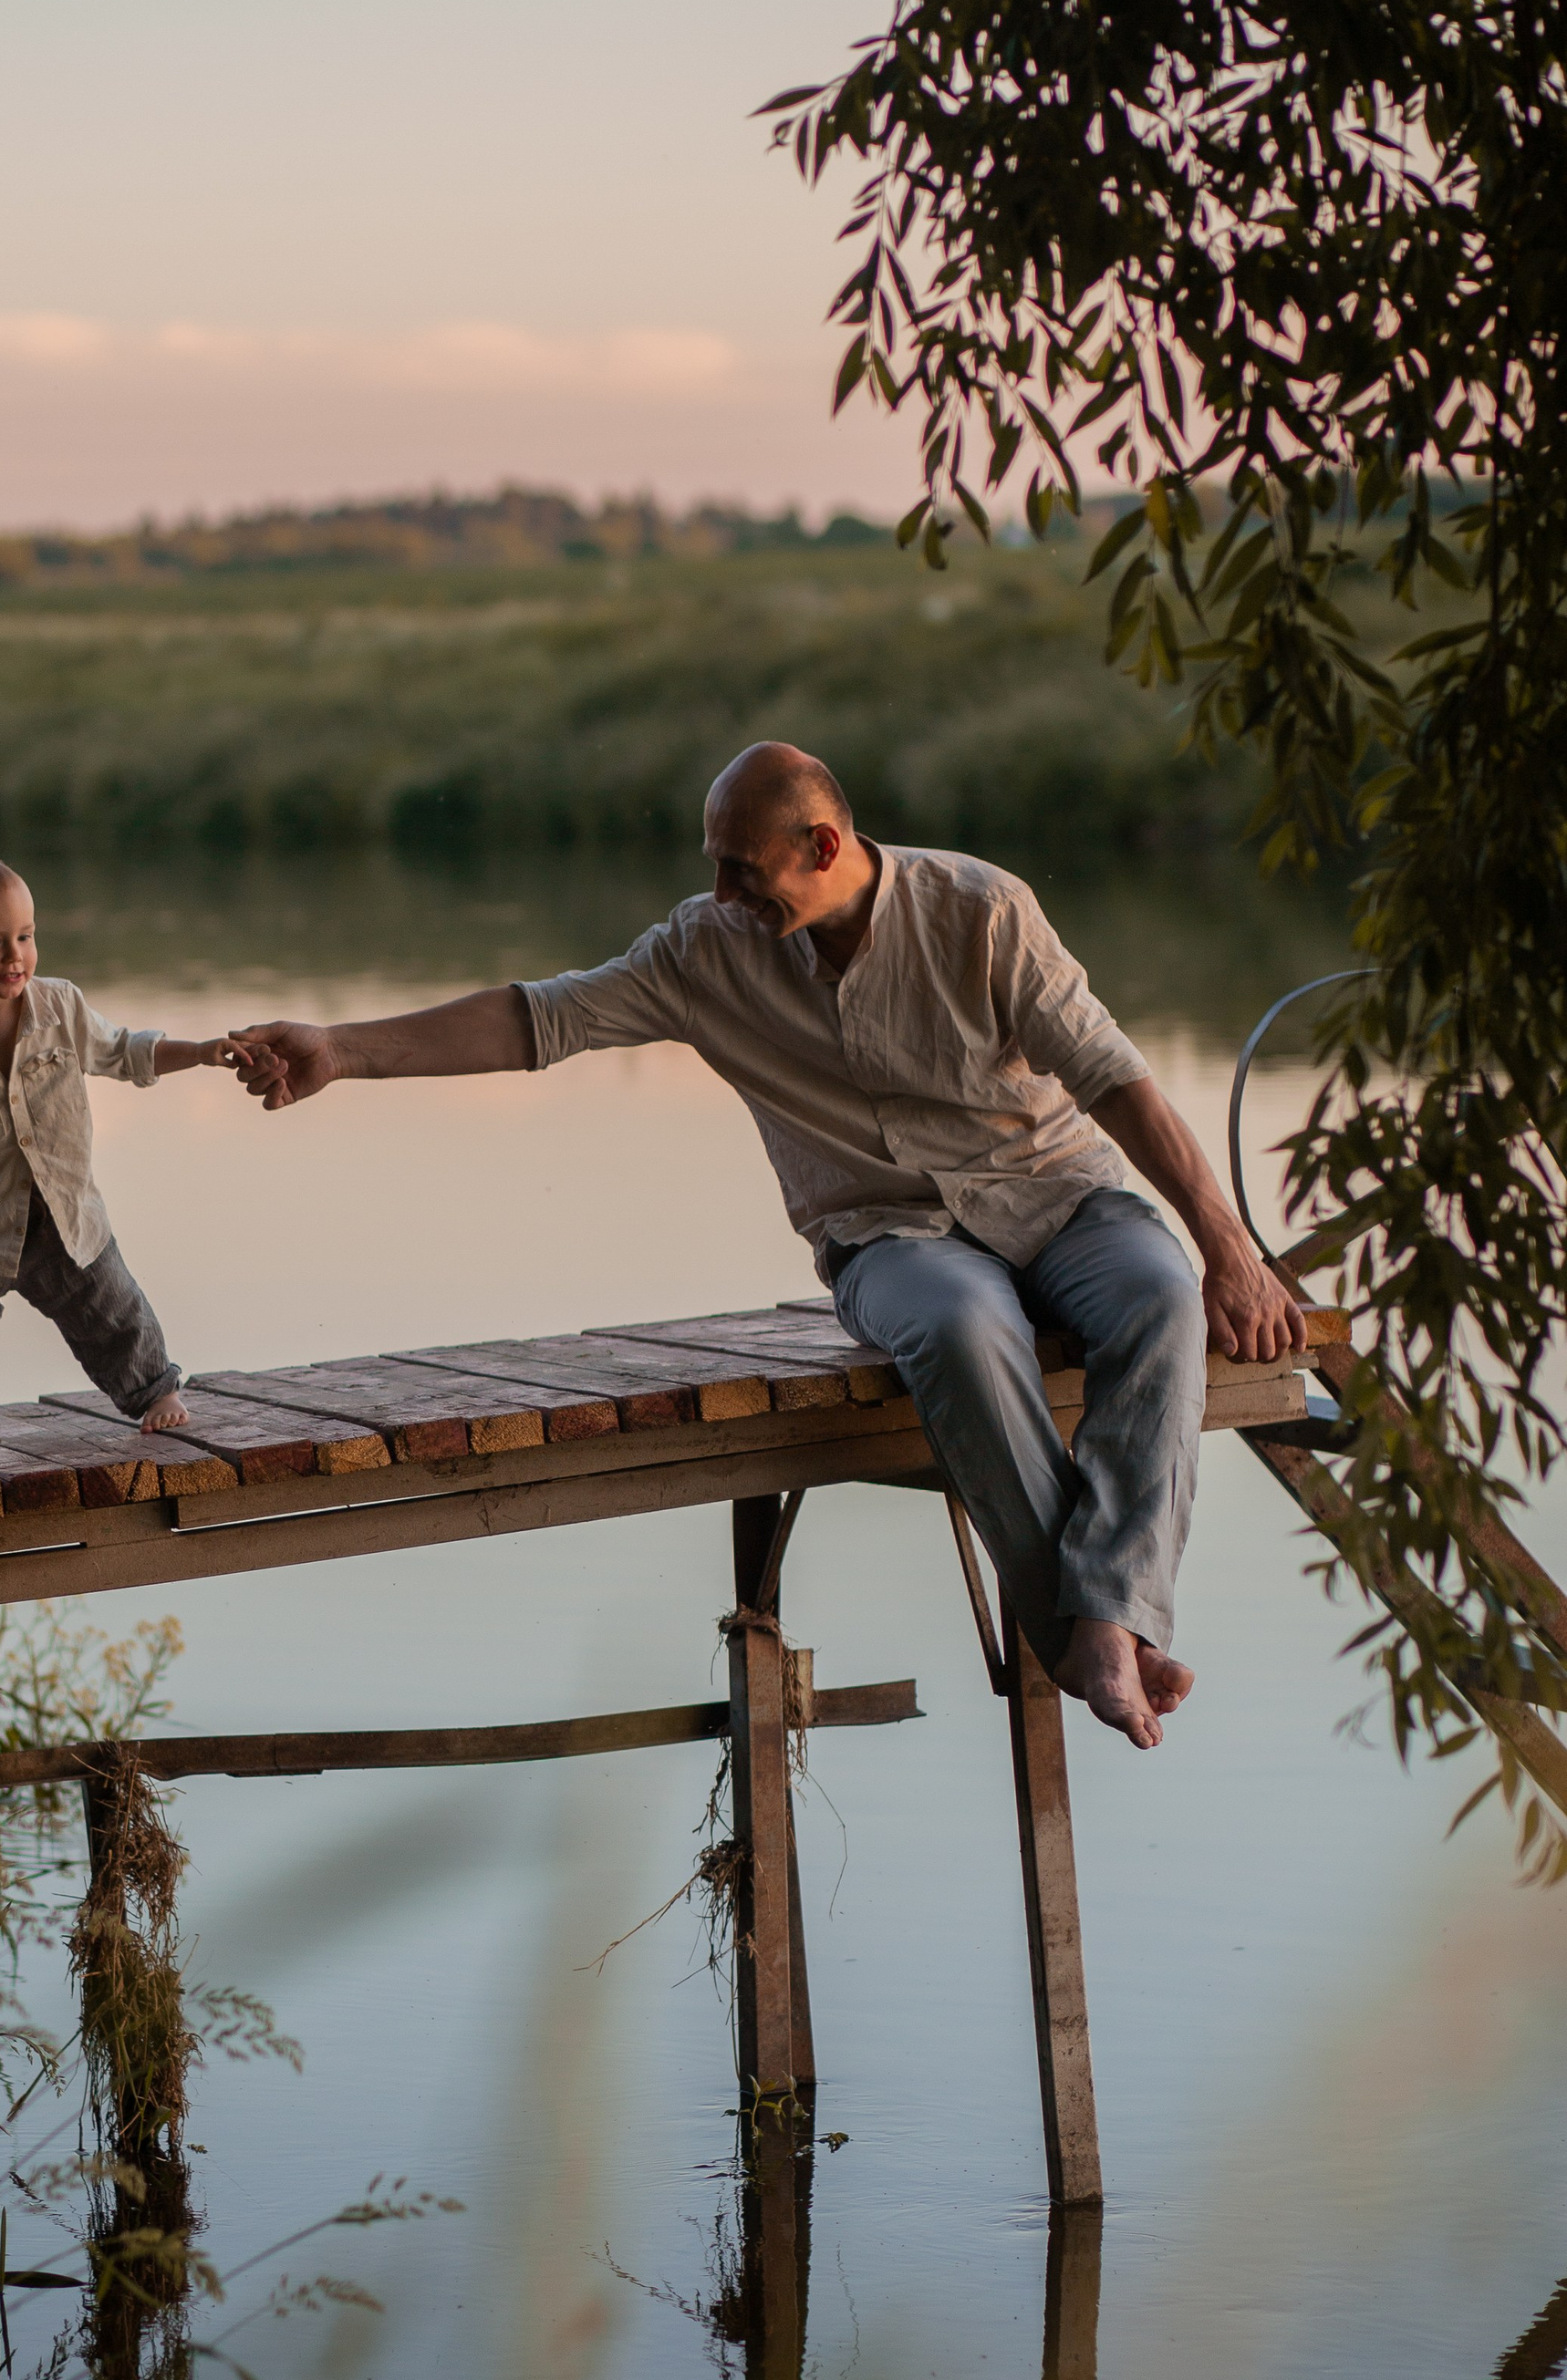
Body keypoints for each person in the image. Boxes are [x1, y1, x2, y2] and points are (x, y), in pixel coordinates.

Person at [226, 742, 1304, 1750]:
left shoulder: (980, 910)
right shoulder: (706, 950)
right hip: (891, 1234)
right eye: (716, 868)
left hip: (1057, 1195)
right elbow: (536, 1021)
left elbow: (1117, 1077)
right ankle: (1095, 1631)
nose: (724, 894)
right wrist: (342, 1049)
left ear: (822, 847)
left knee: (1161, 1292)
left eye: (743, 871)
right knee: (957, 1325)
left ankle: (1101, 1616)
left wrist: (1230, 1249)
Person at [0, 852, 230, 1454]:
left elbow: (127, 1052)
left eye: (26, 937)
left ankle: (155, 1392)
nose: (15, 956)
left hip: (62, 1214)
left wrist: (202, 1051)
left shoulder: (61, 1008)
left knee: (111, 1305)